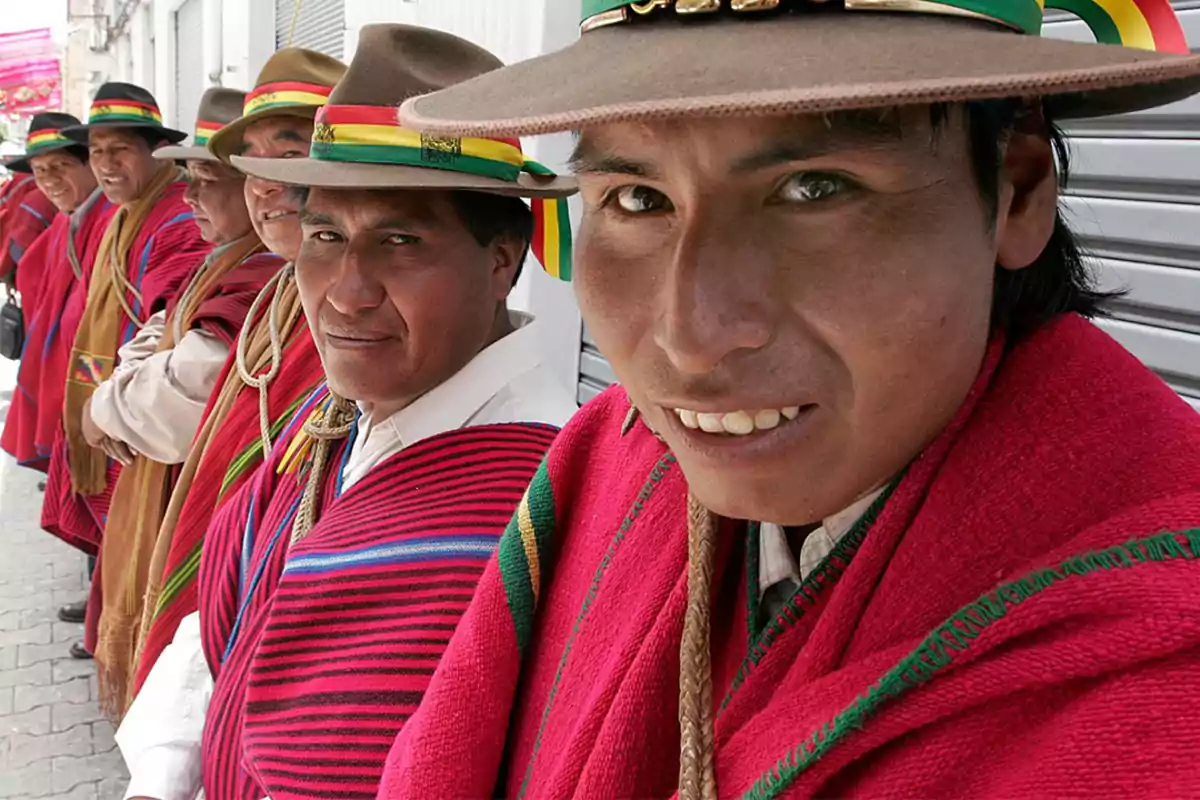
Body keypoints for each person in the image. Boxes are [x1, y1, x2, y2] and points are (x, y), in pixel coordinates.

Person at [380, 3, 1200, 798]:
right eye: (637, 198)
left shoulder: (1161, 688)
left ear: (1016, 190)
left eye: (816, 188)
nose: (690, 336)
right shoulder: (607, 463)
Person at [116, 24, 579, 800]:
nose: (345, 289)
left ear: (503, 259)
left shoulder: (538, 500)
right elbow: (216, 634)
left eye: (399, 240)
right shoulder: (334, 419)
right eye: (326, 234)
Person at [129, 47, 346, 697]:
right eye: (250, 162)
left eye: (289, 156)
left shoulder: (362, 324)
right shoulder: (276, 301)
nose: (263, 185)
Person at [87, 86, 287, 719]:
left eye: (208, 179)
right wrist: (128, 384)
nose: (191, 195)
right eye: (189, 178)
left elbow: (171, 407)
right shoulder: (220, 262)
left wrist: (104, 408)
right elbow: (152, 339)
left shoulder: (260, 277)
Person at [41, 82, 212, 661]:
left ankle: (135, 650)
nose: (107, 166)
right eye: (97, 153)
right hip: (111, 402)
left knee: (143, 546)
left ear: (152, 153)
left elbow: (174, 322)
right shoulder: (121, 216)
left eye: (120, 151)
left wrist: (114, 402)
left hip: (143, 411)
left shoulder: (175, 220)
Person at [1, 112, 101, 472]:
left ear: (90, 163)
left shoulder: (109, 218)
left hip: (93, 380)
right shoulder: (67, 217)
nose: (50, 180)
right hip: (65, 366)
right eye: (41, 170)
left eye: (61, 165)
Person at [0, 168, 55, 293]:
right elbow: (22, 244)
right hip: (38, 279)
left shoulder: (19, 183)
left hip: (16, 261)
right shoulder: (37, 197)